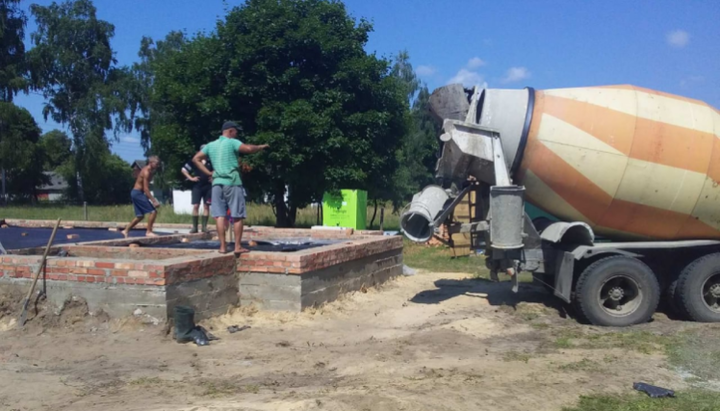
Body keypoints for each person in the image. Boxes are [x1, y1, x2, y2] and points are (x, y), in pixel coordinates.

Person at [192, 121, 268, 255]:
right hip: (232, 182)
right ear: (230, 131)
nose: (237, 133)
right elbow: (248, 149)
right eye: (236, 131)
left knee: (220, 216)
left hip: (216, 184)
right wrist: (261, 147)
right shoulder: (232, 142)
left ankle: (222, 247)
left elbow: (196, 159)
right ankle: (237, 247)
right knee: (237, 215)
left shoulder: (211, 145)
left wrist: (209, 173)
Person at [123, 156, 161, 238]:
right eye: (156, 164)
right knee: (153, 212)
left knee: (140, 216)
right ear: (151, 163)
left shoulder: (151, 171)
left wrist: (147, 198)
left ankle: (126, 230)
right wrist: (153, 201)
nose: (158, 166)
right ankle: (149, 231)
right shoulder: (146, 172)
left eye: (158, 164)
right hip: (137, 193)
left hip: (137, 193)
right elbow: (146, 188)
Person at [181, 145, 213, 233]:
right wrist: (191, 178)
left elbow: (217, 170)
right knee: (196, 205)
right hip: (197, 186)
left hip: (208, 187)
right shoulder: (194, 161)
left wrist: (213, 176)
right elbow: (184, 170)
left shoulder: (211, 161)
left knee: (207, 206)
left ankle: (204, 227)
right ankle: (195, 227)